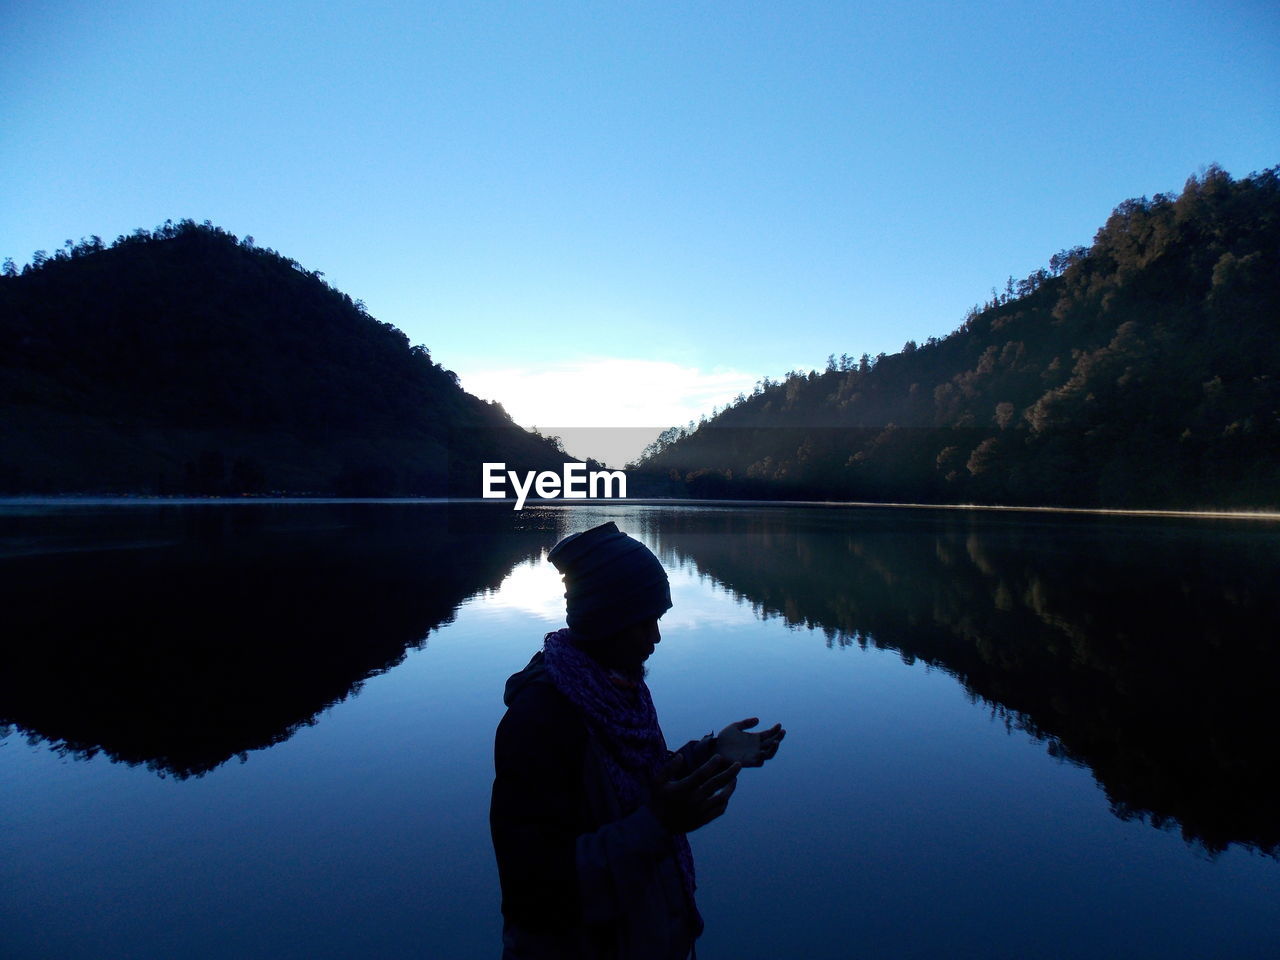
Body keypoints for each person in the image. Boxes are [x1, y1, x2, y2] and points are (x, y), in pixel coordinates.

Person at [490, 521, 785, 959]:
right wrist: (659, 823)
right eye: (642, 623)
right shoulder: (539, 723)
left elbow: (640, 778)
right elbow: (536, 895)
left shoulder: (616, 690)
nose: (655, 638)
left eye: (657, 620)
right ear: (603, 621)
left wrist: (708, 753)